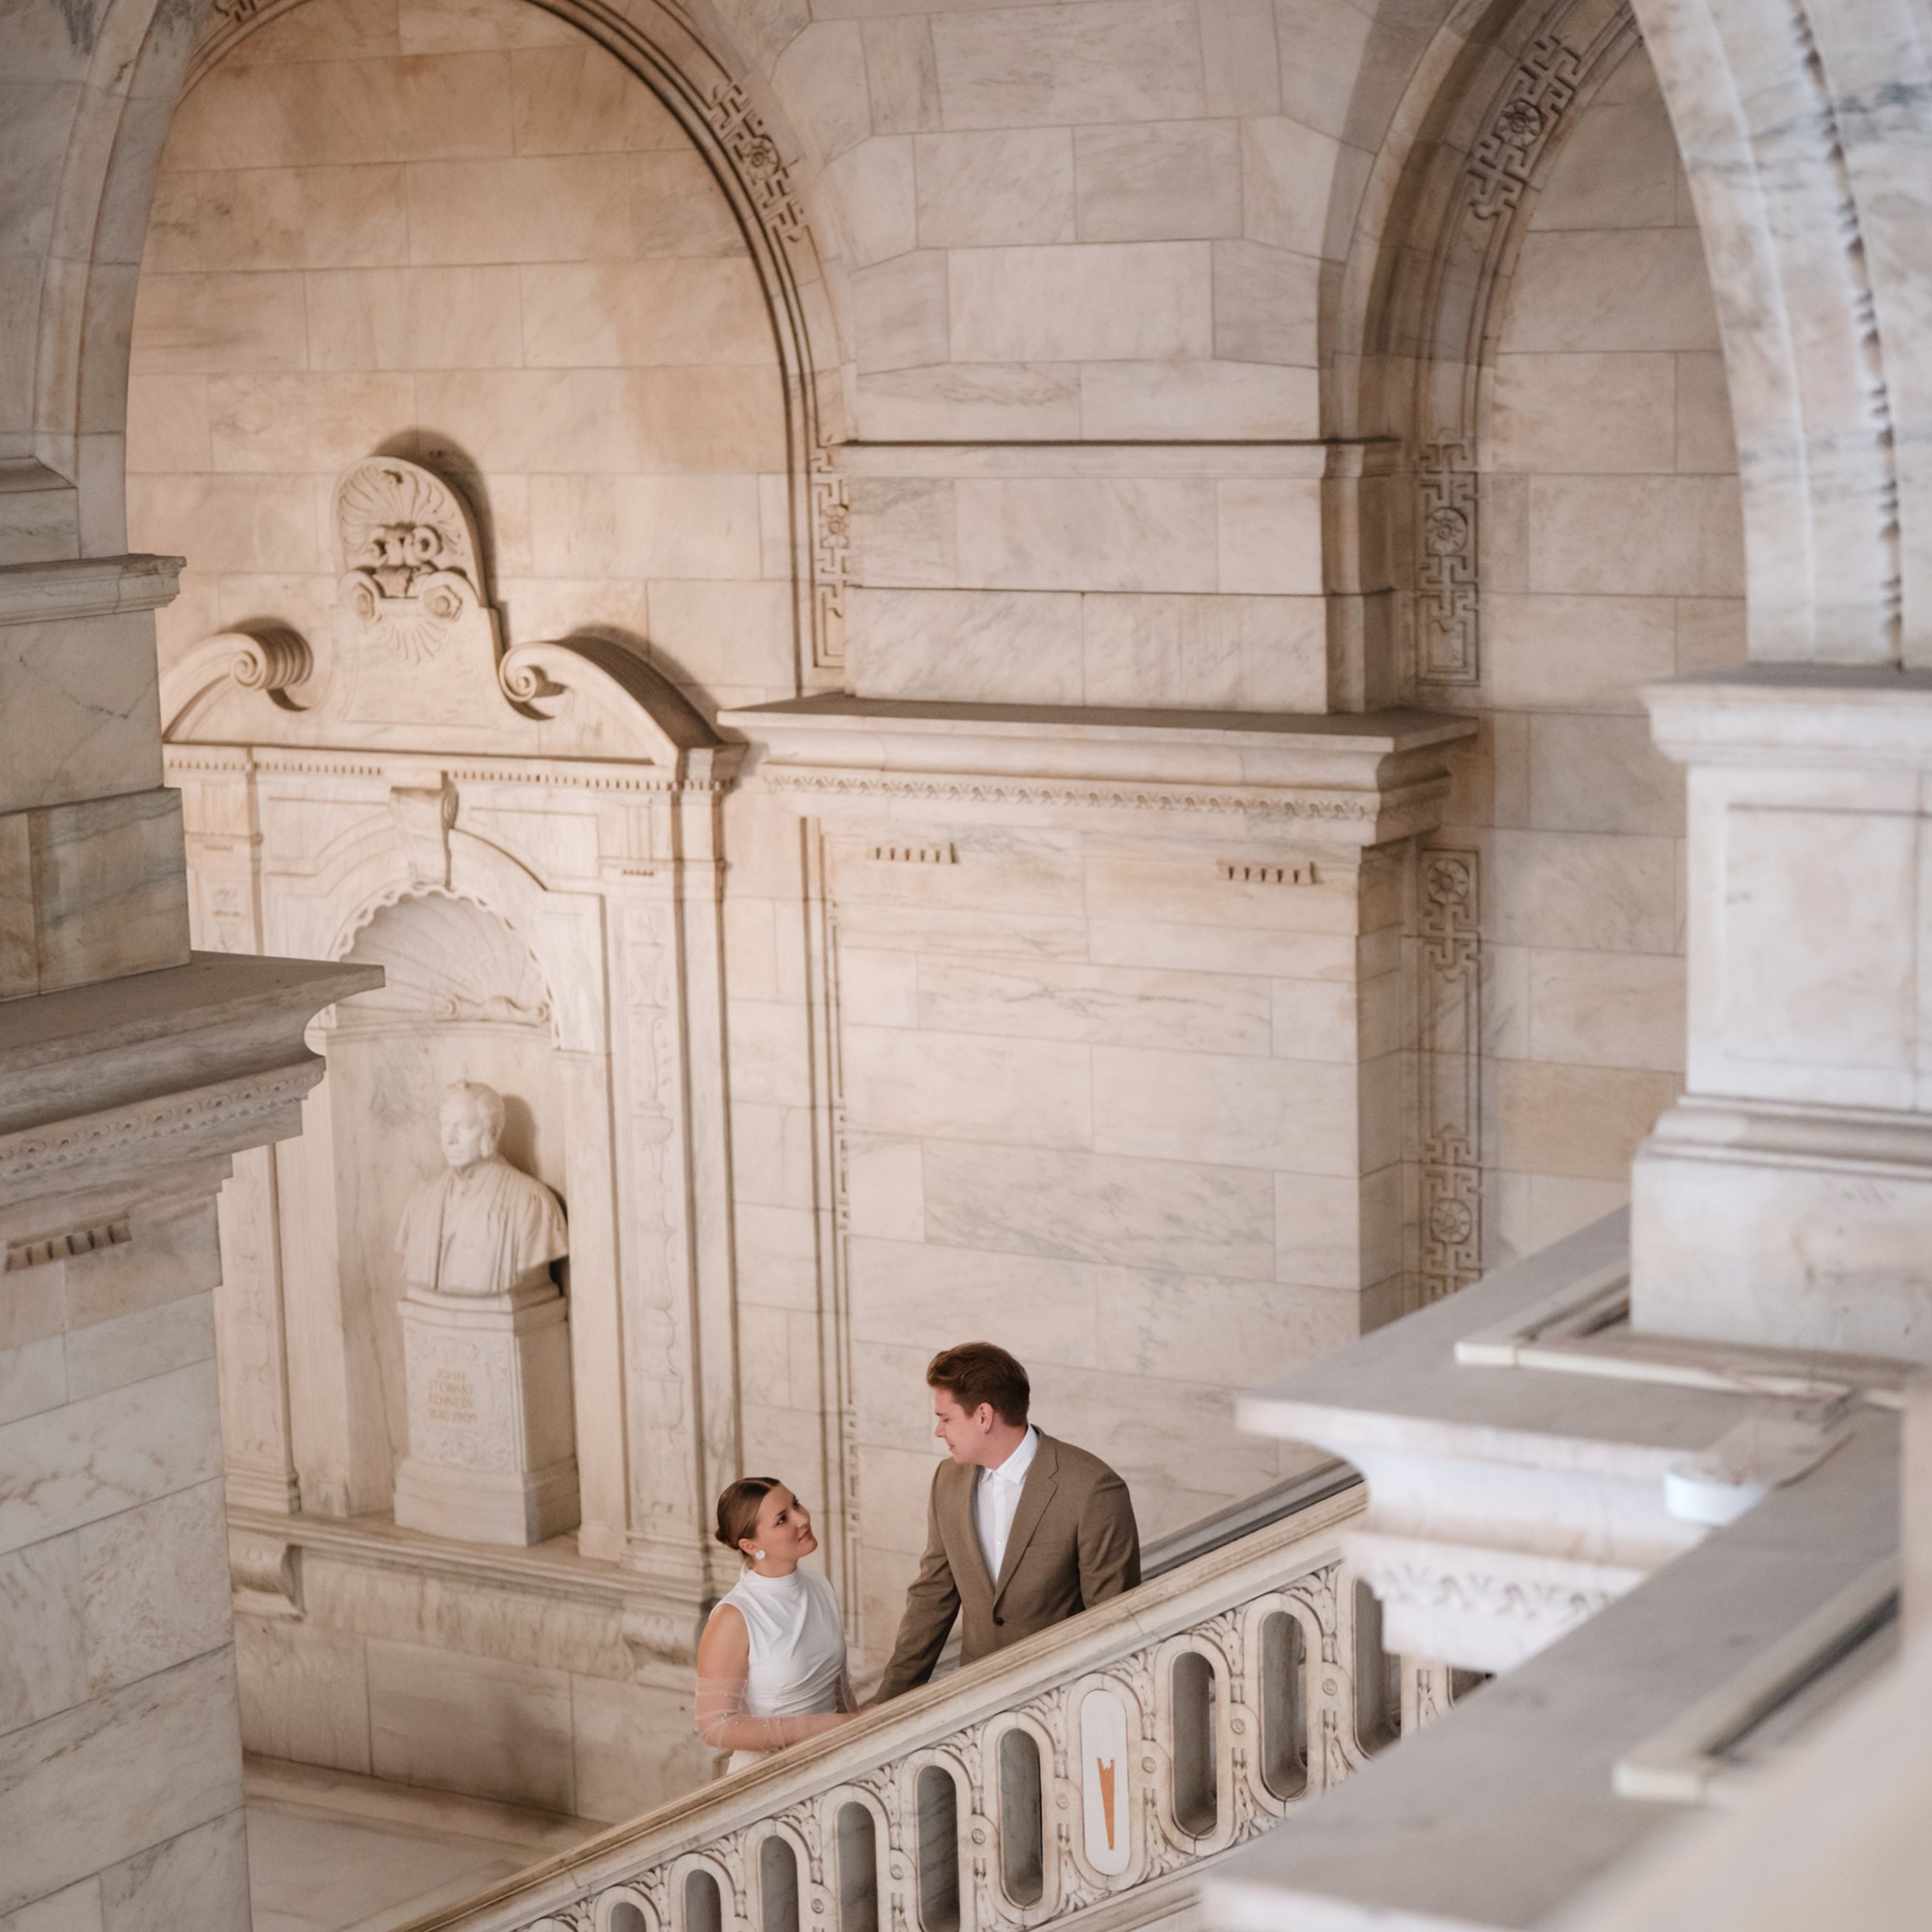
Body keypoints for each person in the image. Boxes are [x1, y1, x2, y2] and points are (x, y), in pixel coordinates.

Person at [875, 1342, 1140, 1701]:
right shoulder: (947, 1480)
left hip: (1060, 1704)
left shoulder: (1093, 1488)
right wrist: (886, 1704)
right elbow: (932, 1597)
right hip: (975, 1705)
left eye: (945, 1417)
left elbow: (1112, 1623)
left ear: (983, 1416)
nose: (938, 1430)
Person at [695, 1477, 857, 1771]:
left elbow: (838, 1688)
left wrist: (855, 1731)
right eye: (783, 1519)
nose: (802, 1518)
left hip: (833, 1762)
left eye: (795, 1504)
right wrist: (818, 1728)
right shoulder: (734, 1616)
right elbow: (714, 1726)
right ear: (751, 1545)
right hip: (768, 1775)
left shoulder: (821, 1586)